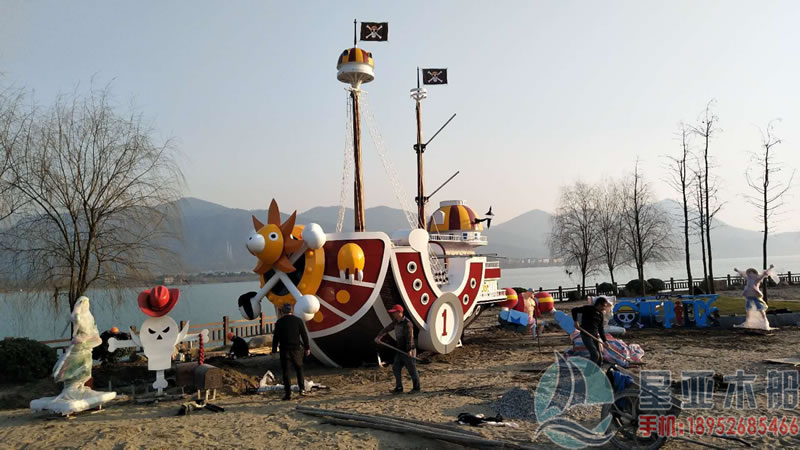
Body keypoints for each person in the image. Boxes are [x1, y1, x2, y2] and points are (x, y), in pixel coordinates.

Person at [375, 304, 420, 393]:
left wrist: (409, 350)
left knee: (412, 370)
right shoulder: (395, 322)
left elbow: (409, 338)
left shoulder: (407, 323)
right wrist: (379, 336)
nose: (393, 314)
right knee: (396, 368)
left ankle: (416, 388)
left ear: (400, 312)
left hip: (408, 350)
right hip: (399, 350)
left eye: (394, 312)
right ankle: (399, 388)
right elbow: (387, 329)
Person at [272, 303, 310, 400]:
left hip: (284, 350)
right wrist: (307, 348)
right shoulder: (298, 320)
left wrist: (274, 351)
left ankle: (288, 393)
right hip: (296, 349)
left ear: (282, 312)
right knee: (299, 369)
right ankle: (302, 389)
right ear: (291, 311)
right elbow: (304, 335)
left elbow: (276, 338)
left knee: (286, 372)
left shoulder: (279, 322)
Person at [571, 297, 612, 367]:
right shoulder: (588, 309)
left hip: (595, 336)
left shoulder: (600, 315)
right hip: (586, 335)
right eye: (604, 306)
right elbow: (574, 310)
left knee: (600, 358)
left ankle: (597, 371)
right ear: (599, 304)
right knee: (595, 355)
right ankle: (588, 372)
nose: (604, 308)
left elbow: (601, 329)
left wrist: (605, 341)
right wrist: (576, 321)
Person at [734, 265, 775, 329]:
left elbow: (764, 274)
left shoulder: (757, 279)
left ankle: (765, 321)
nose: (750, 274)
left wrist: (770, 268)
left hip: (755, 296)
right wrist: (737, 270)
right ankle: (748, 321)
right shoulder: (748, 278)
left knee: (760, 309)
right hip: (749, 296)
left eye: (752, 273)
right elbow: (742, 274)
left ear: (755, 273)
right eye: (749, 273)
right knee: (748, 310)